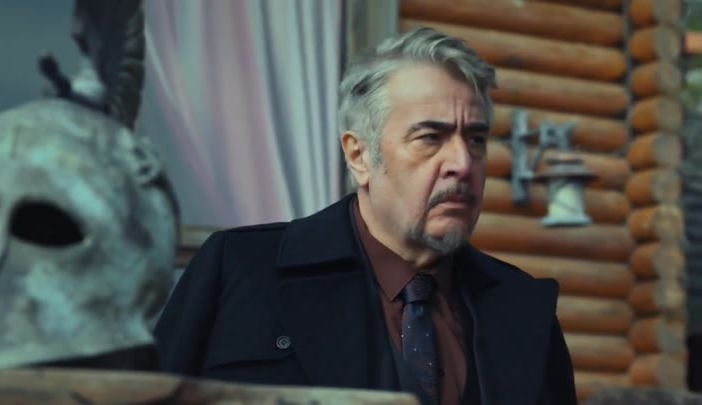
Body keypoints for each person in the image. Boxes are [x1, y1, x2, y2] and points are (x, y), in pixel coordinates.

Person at [154, 27, 577, 405]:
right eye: (431, 137)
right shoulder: (240, 270)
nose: (463, 164)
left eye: (476, 139)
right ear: (359, 155)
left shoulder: (525, 311)